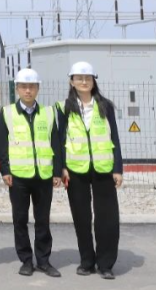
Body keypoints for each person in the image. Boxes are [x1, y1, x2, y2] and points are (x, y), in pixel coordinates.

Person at [59, 61, 123, 280]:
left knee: (107, 218)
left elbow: (114, 137)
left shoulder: (106, 106)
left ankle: (105, 264)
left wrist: (117, 168)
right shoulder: (64, 108)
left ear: (94, 81)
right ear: (72, 81)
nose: (84, 81)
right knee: (82, 217)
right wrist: (62, 167)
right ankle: (87, 261)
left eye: (88, 78)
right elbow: (60, 140)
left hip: (103, 169)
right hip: (76, 170)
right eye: (79, 78)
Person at [0, 68, 62, 277]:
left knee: (43, 220)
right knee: (20, 220)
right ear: (17, 88)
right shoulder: (7, 113)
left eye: (31, 87)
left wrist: (57, 171)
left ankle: (43, 260)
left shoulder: (48, 113)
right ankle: (26, 260)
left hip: (43, 175)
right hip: (18, 177)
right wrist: (4, 170)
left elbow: (55, 143)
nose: (28, 91)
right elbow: (2, 144)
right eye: (24, 87)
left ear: (37, 89)